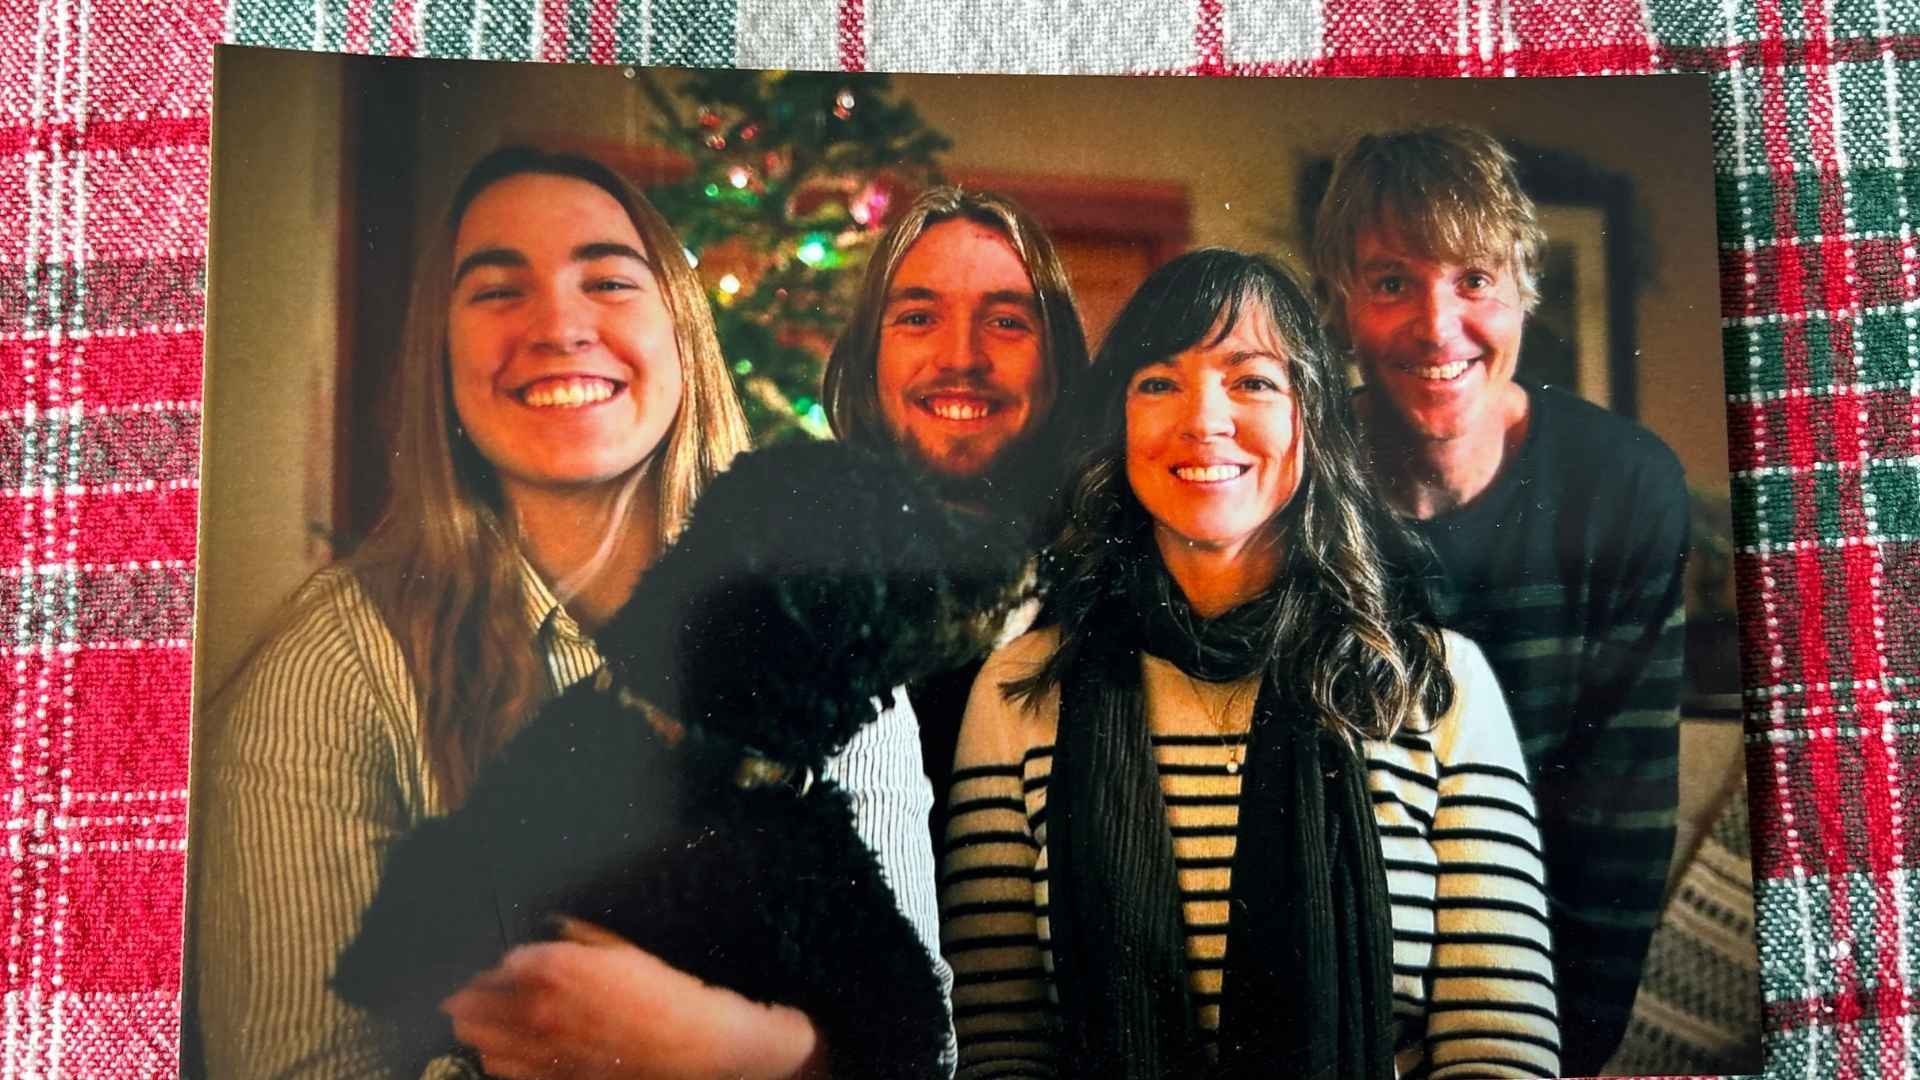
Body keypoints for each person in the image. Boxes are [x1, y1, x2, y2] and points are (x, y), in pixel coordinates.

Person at [188, 145, 944, 1079]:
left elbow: (925, 1048)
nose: (558, 326)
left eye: (610, 282)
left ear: (681, 331)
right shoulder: (332, 667)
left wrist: (718, 1048)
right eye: (498, 291)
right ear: (441, 361)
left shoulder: (828, 626)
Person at [941, 249, 1560, 1079]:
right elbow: (997, 1044)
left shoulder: (1440, 687)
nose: (1204, 419)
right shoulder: (1022, 689)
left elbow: (1501, 1049)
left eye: (1253, 381)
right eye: (1159, 383)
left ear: (1314, 420)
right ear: (1118, 426)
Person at [1312, 124, 1689, 1074]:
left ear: (1525, 289)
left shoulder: (1624, 486)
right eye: (1391, 282)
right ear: (1341, 308)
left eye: (1474, 279)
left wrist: (1560, 1052)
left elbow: (1622, 820)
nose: (1438, 326)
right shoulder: (1296, 486)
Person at [823, 185, 1088, 847]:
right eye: (918, 318)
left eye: (1006, 322)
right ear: (868, 357)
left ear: (1058, 360)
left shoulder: (1114, 595)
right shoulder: (797, 588)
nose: (961, 358)